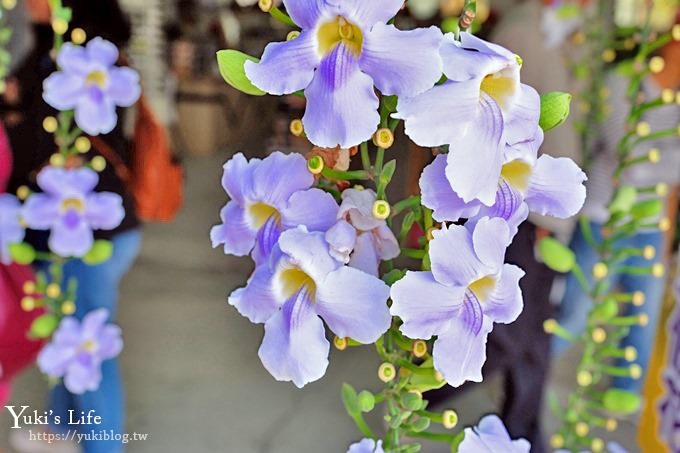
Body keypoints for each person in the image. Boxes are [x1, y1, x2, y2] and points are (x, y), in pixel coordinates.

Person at [3, 1, 142, 452]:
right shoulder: (49, 48)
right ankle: (62, 435)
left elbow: (37, 139)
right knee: (69, 339)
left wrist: (16, 113)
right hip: (68, 235)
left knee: (88, 351)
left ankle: (103, 448)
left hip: (94, 235)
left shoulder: (85, 51)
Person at [553, 39, 680, 395]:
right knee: (575, 317)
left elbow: (656, 172)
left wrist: (666, 237)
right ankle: (527, 382)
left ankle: (623, 403)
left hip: (651, 228)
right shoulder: (621, 82)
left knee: (641, 324)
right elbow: (628, 165)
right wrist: (665, 160)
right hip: (602, 219)